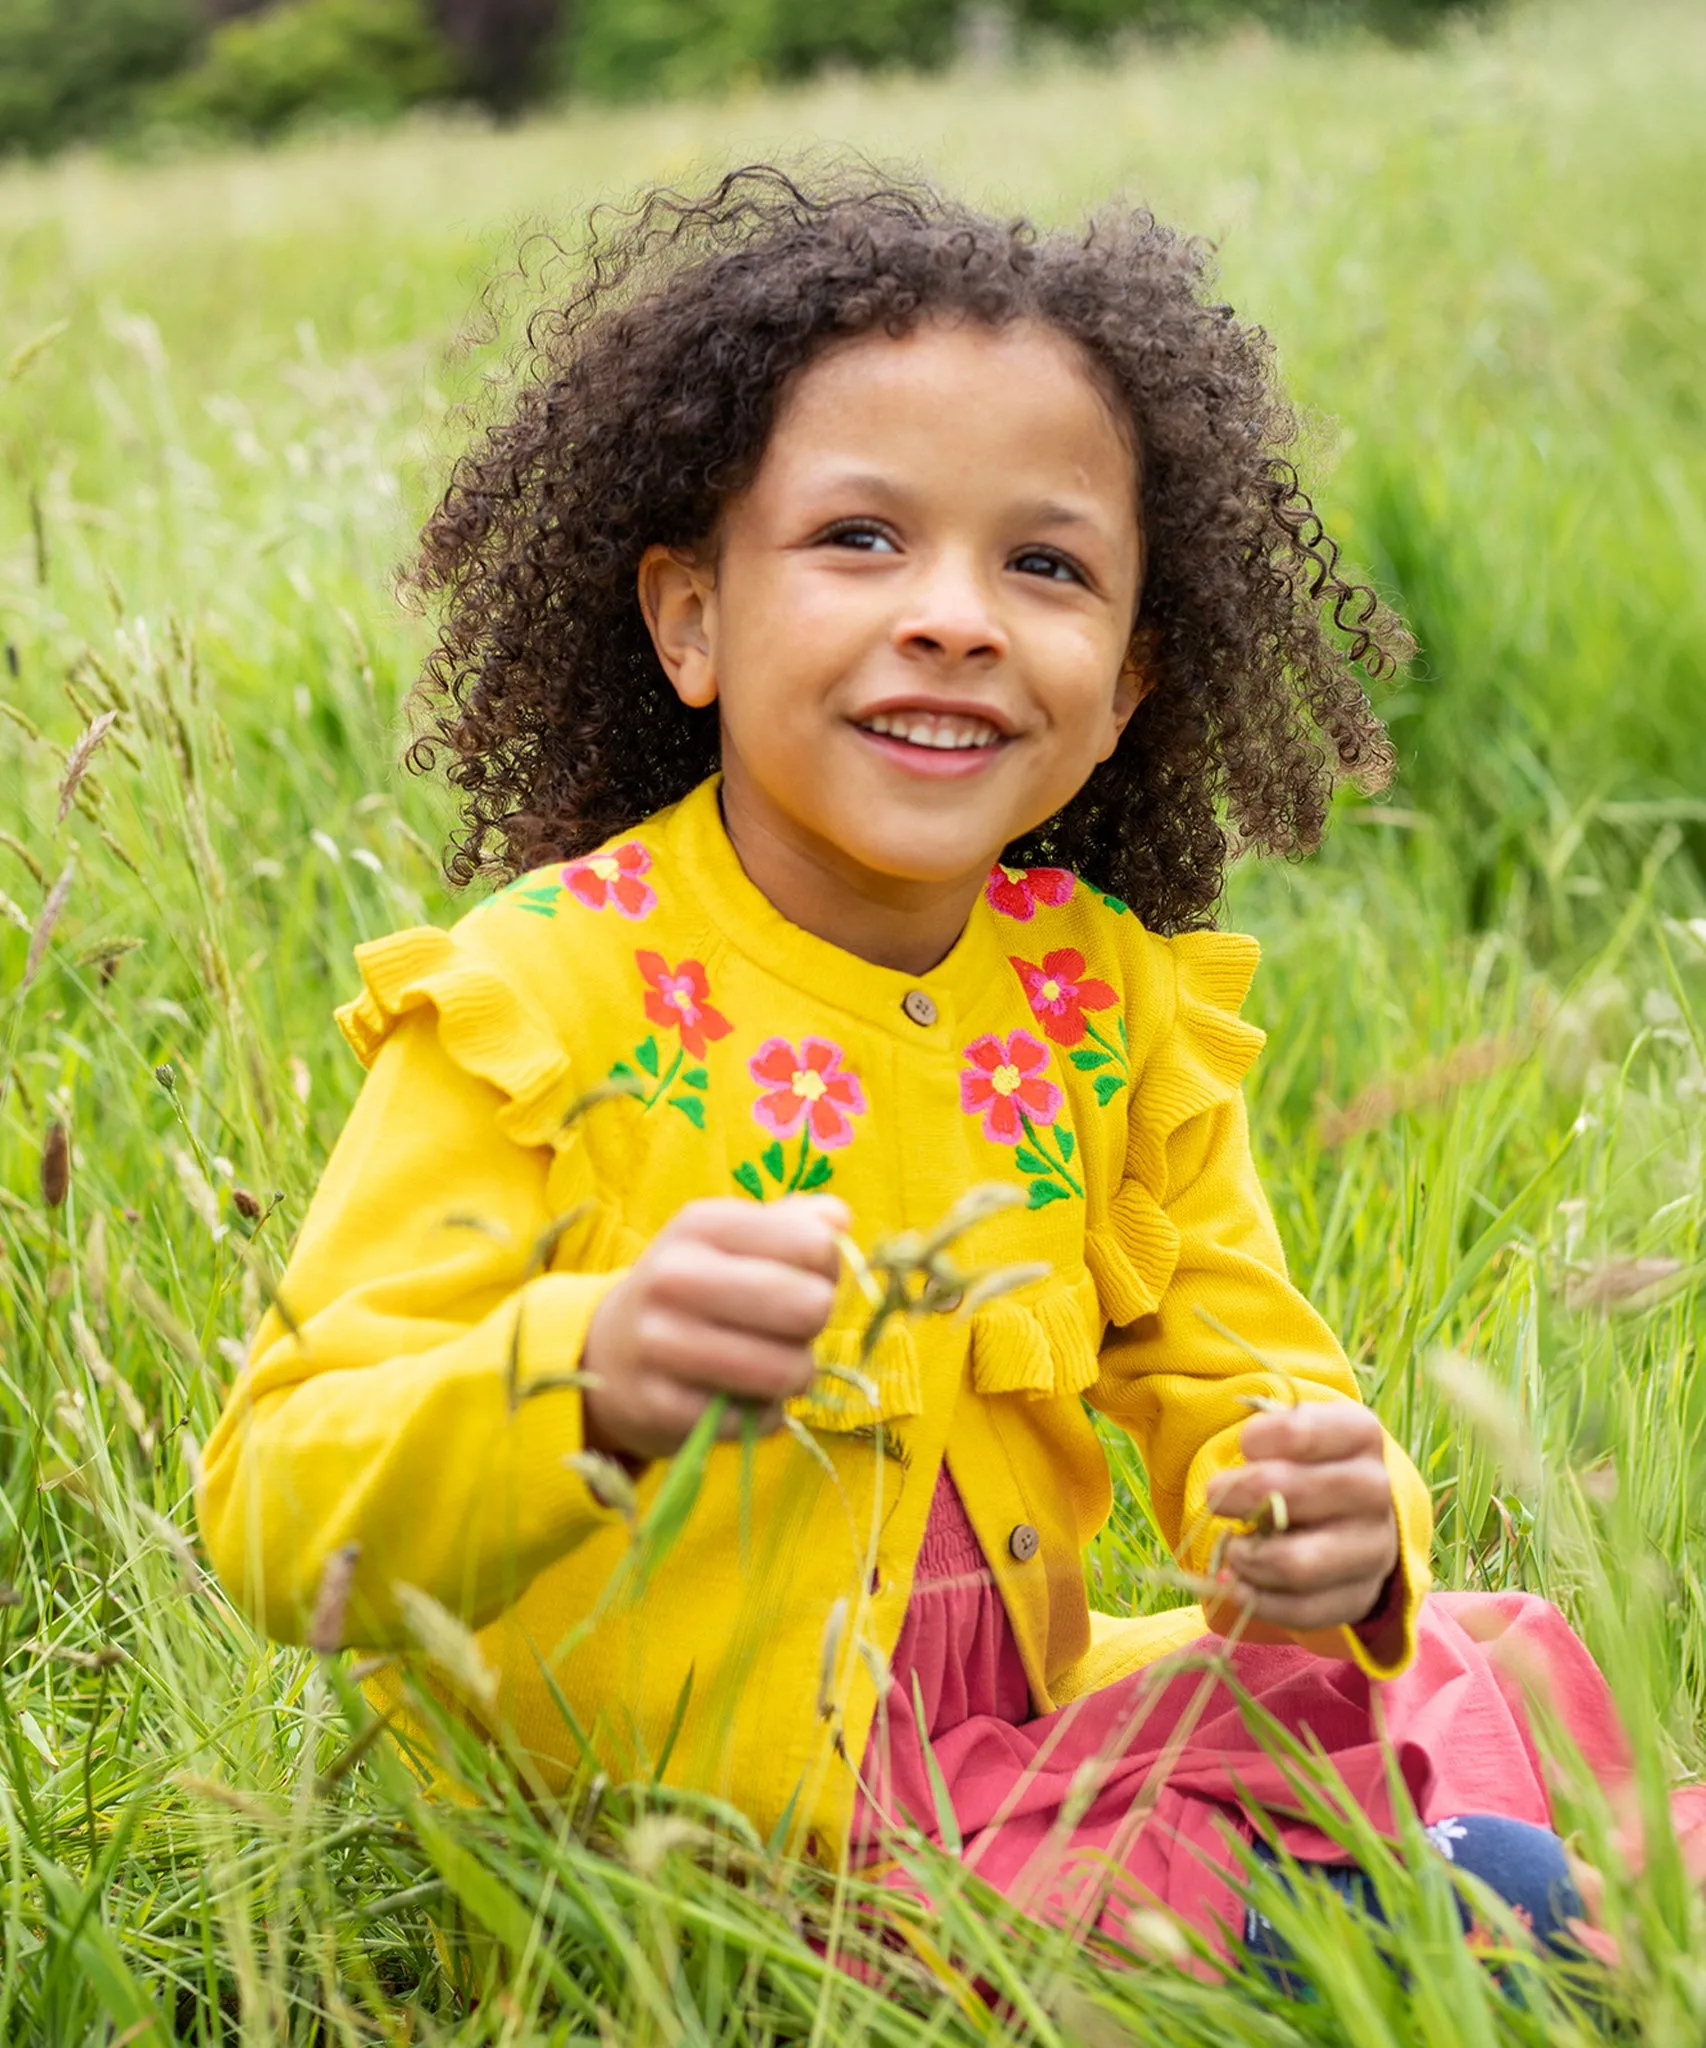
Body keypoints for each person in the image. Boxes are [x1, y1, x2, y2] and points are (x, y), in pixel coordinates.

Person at [199, 166, 1620, 1970]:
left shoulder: (1098, 1001)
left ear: (1119, 688)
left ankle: (1449, 1904)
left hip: (991, 1744)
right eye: (859, 539)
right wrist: (588, 1377)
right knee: (1374, 1895)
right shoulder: (541, 999)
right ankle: (1456, 1922)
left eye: (1043, 564)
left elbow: (1241, 1360)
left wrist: (1332, 1512)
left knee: (1468, 1646)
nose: (954, 613)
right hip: (699, 1839)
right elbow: (274, 1508)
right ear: (689, 620)